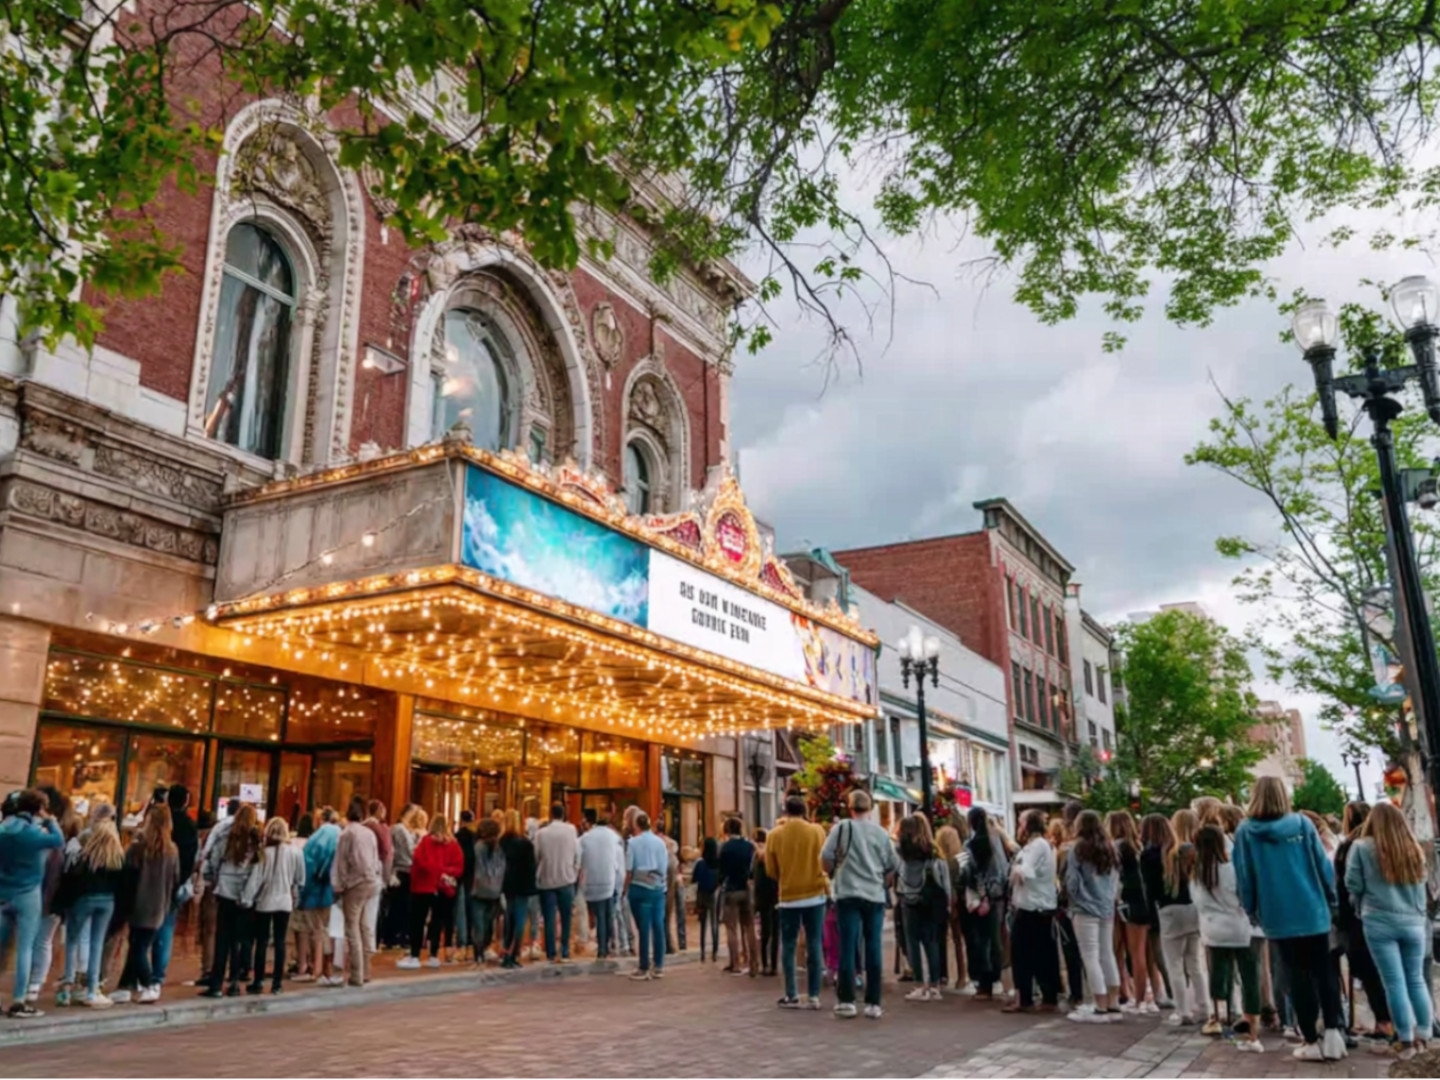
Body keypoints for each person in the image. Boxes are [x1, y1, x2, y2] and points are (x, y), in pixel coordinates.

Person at [1234, 776, 1344, 1062]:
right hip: (1312, 908)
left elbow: (1245, 875)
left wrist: (1251, 908)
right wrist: (1331, 898)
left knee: (1296, 977)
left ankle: (1309, 1039)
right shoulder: (1303, 824)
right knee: (1323, 972)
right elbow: (1322, 866)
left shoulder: (1246, 832)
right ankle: (1333, 1033)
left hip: (1277, 913)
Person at [1344, 801, 1433, 1062]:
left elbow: (1353, 883)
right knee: (1416, 979)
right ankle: (1424, 1034)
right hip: (1413, 921)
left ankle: (1404, 1038)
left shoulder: (1361, 847)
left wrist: (1359, 902)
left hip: (1379, 920)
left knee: (1393, 982)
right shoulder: (1413, 848)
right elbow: (1423, 884)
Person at [820, 791, 896, 1018]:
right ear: (870, 808)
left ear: (850, 807)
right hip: (873, 895)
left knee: (847, 945)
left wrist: (833, 871)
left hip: (848, 892)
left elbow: (825, 857)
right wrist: (881, 883)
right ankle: (873, 1003)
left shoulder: (841, 828)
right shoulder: (881, 833)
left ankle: (847, 1000)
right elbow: (892, 864)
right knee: (873, 946)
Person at [1192, 824, 1263, 1053]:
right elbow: (1243, 896)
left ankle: (1219, 1016)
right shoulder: (1231, 869)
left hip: (1213, 929)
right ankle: (1251, 1021)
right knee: (1249, 976)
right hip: (1239, 927)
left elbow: (1198, 903)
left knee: (1219, 973)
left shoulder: (1197, 872)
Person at [0, 789, 63, 1017]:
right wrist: (51, 820)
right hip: (28, 894)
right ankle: (19, 1000)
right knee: (24, 949)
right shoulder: (34, 833)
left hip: (3, 892)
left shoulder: (3, 829)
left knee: (1, 948)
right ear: (37, 809)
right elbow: (58, 841)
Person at [1142, 811, 1207, 1026]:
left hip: (1168, 909)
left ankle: (1183, 1011)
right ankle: (1204, 1006)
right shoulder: (1185, 850)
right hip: (1191, 906)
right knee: (1195, 962)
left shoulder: (1149, 855)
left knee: (1175, 964)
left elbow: (1150, 890)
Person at [1334, 802, 1392, 1043]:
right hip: (1389, 914)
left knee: (1369, 972)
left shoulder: (1350, 847)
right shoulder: (1387, 844)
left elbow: (1346, 885)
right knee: (1389, 973)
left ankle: (1384, 1021)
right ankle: (1396, 1021)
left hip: (1357, 918)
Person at [767, 794, 827, 1009]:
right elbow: (825, 858)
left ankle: (791, 993)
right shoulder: (817, 831)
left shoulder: (774, 835)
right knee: (814, 943)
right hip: (815, 893)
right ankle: (814, 995)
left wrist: (784, 877)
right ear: (805, 810)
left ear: (785, 810)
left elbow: (770, 869)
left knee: (789, 945)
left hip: (789, 896)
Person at [56, 818, 124, 1009]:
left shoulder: (85, 855)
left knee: (72, 941)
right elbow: (122, 885)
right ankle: (92, 990)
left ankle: (67, 987)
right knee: (97, 944)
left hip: (84, 899)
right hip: (107, 901)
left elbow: (72, 880)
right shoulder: (117, 857)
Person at [1065, 810, 1122, 1024]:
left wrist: (1074, 899)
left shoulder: (1077, 849)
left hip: (1084, 906)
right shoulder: (1110, 848)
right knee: (1107, 952)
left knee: (1090, 955)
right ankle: (1114, 999)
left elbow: (1072, 880)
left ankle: (1100, 1002)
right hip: (1106, 906)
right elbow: (1116, 878)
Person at [241, 816, 305, 995]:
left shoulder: (264, 853)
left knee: (261, 942)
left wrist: (246, 898)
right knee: (280, 942)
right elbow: (300, 878)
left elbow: (255, 879)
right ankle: (277, 983)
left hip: (265, 901)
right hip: (285, 901)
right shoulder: (295, 852)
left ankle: (259, 980)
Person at [201, 802, 259, 998]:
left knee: (222, 939)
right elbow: (258, 870)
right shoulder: (256, 840)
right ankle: (234, 982)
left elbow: (213, 858)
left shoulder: (227, 836)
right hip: (245, 895)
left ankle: (216, 983)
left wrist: (212, 878)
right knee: (238, 940)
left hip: (225, 890)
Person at [125, 804, 180, 1004]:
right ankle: (143, 982)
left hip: (139, 903)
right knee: (143, 944)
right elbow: (175, 879)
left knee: (137, 946)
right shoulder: (172, 850)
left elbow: (128, 872)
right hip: (160, 905)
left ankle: (147, 983)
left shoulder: (139, 847)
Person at [1007, 808, 1060, 1014]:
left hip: (1034, 907)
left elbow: (1024, 872)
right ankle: (1041, 995)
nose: (1020, 827)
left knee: (1025, 954)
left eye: (1021, 823)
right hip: (1033, 905)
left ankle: (1028, 997)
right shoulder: (1033, 846)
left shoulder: (1037, 846)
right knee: (1039, 953)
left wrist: (1016, 872)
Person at [895, 812, 951, 1003]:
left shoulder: (901, 853)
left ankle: (919, 984)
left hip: (910, 901)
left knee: (912, 942)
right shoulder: (933, 852)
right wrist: (949, 903)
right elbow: (944, 880)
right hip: (932, 900)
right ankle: (934, 986)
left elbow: (897, 876)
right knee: (932, 942)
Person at [1108, 809, 1157, 1013]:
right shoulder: (1139, 846)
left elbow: (1114, 877)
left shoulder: (1117, 847)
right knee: (1141, 953)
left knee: (1123, 951)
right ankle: (1139, 995)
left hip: (1125, 902)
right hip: (1142, 902)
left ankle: (1134, 997)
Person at [150, 784, 197, 993]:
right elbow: (191, 857)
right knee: (166, 929)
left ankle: (141, 973)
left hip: (154, 882)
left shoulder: (161, 822)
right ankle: (157, 974)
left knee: (146, 929)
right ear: (186, 801)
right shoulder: (188, 825)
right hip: (175, 883)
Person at [957, 806, 1007, 1002]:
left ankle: (983, 984)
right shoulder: (996, 843)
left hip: (978, 900)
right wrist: (994, 894)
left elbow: (966, 873)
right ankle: (996, 978)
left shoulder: (968, 845)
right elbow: (1002, 871)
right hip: (996, 899)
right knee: (994, 940)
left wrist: (980, 895)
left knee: (979, 942)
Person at [400, 814, 463, 969]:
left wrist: (434, 871)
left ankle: (415, 955)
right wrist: (444, 872)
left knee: (418, 921)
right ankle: (433, 955)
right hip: (443, 887)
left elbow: (419, 862)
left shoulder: (426, 842)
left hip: (422, 886)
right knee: (437, 921)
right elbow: (459, 866)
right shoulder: (453, 845)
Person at [333, 796, 383, 987]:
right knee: (365, 926)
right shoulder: (368, 833)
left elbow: (341, 863)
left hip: (355, 883)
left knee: (352, 929)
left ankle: (356, 974)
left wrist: (339, 885)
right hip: (371, 881)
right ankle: (366, 970)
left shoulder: (347, 833)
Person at [296, 806, 341, 986]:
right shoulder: (339, 833)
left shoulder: (320, 836)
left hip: (315, 888)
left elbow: (308, 863)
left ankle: (316, 968)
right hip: (331, 889)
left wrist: (301, 891)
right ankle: (326, 968)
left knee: (316, 929)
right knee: (326, 929)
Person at [624, 811, 669, 980]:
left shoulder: (633, 843)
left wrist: (625, 889)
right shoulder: (660, 843)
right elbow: (664, 867)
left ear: (636, 825)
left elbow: (629, 869)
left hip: (639, 886)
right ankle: (658, 965)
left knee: (643, 927)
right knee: (658, 925)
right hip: (657, 886)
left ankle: (643, 965)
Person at [533, 802, 580, 964]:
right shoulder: (571, 830)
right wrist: (574, 870)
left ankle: (551, 952)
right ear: (563, 814)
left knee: (549, 917)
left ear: (551, 815)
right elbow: (577, 854)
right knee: (566, 917)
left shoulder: (541, 834)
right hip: (566, 879)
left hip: (547, 879)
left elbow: (536, 856)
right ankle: (565, 949)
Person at [578, 812, 622, 962]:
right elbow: (619, 860)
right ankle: (605, 946)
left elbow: (578, 859)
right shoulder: (614, 837)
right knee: (606, 915)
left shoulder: (585, 838)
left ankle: (602, 947)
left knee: (599, 915)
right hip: (609, 880)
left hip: (591, 882)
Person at [499, 809, 538, 969]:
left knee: (509, 918)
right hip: (522, 886)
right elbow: (531, 868)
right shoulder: (525, 843)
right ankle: (513, 953)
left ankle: (506, 949)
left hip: (506, 885)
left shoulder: (500, 843)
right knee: (520, 919)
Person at [935, 823, 969, 993]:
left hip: (942, 903)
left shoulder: (938, 860)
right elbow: (968, 876)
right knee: (960, 941)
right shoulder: (962, 857)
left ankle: (943, 975)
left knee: (940, 940)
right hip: (960, 902)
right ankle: (962, 975)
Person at [468, 818, 506, 962]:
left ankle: (478, 953)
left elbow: (475, 866)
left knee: (478, 924)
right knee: (488, 922)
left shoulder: (478, 846)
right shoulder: (499, 847)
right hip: (495, 889)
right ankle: (484, 947)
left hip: (479, 889)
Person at [384, 804, 421, 949]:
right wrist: (418, 843)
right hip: (402, 868)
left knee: (405, 906)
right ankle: (392, 936)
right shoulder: (399, 829)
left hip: (409, 869)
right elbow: (408, 850)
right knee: (399, 905)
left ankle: (399, 935)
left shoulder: (407, 829)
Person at [362, 800, 393, 955]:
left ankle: (367, 944)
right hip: (377, 872)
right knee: (372, 912)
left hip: (363, 872)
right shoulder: (380, 829)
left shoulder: (364, 826)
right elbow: (386, 852)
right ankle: (371, 944)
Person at [753, 827, 779, 977]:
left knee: (765, 932)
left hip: (763, 898)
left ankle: (765, 963)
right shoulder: (775, 859)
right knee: (775, 931)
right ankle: (773, 964)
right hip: (776, 896)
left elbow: (755, 880)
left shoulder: (758, 859)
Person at [692, 837, 721, 963]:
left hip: (702, 894)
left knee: (703, 924)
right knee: (714, 923)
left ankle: (703, 951)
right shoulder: (718, 864)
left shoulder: (700, 863)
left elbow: (694, 879)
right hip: (714, 893)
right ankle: (715, 950)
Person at [454, 809, 477, 959]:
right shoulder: (476, 838)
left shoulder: (456, 837)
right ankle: (471, 940)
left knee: (460, 910)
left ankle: (461, 941)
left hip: (458, 876)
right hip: (473, 877)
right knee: (472, 909)